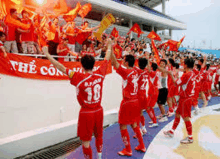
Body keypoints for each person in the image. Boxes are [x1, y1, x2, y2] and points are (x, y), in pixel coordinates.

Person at [43, 38, 112, 159]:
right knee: (99, 136)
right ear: (94, 64)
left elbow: (60, 67)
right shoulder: (100, 73)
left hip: (86, 113)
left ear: (81, 65)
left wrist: (47, 54)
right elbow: (107, 57)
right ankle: (99, 157)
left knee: (86, 142)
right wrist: (110, 45)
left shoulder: (78, 77)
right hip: (99, 110)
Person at [111, 53, 146, 156]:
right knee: (134, 124)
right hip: (135, 100)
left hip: (127, 101)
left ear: (126, 62)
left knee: (122, 125)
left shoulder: (126, 72)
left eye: (123, 59)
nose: (122, 60)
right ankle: (142, 145)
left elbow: (115, 63)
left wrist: (110, 48)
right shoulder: (135, 71)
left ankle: (128, 149)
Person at [164, 58, 196, 144]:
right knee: (177, 114)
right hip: (187, 97)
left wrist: (171, 75)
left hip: (185, 99)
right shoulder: (192, 73)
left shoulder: (186, 75)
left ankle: (190, 137)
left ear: (185, 65)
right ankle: (172, 131)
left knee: (186, 117)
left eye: (183, 63)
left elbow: (176, 83)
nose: (182, 65)